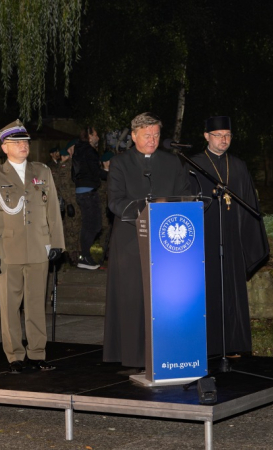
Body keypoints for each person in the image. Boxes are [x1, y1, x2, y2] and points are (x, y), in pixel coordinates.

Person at [103, 112, 191, 368]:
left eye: (156, 135)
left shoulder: (173, 163)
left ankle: (167, 352)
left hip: (168, 243)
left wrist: (172, 207)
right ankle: (133, 355)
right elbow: (115, 202)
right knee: (133, 297)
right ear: (133, 136)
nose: (152, 140)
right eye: (146, 135)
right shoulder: (120, 164)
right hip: (131, 241)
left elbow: (184, 195)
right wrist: (147, 207)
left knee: (166, 298)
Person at [0, 119, 65, 373]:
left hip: (39, 247)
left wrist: (58, 242)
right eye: (16, 142)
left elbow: (53, 211)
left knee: (37, 304)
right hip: (8, 251)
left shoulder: (42, 172)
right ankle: (15, 356)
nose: (23, 146)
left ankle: (37, 353)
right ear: (4, 147)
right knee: (10, 307)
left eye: (25, 141)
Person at [188, 116, 270, 356]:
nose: (224, 140)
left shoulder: (238, 165)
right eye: (218, 135)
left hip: (232, 238)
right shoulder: (193, 165)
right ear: (206, 136)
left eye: (228, 135)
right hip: (205, 240)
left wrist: (249, 240)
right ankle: (208, 347)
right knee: (208, 291)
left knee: (233, 292)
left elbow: (249, 202)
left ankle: (235, 345)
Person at [72, 127, 108, 270]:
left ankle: (86, 256)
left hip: (83, 191)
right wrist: (111, 175)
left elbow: (73, 174)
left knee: (93, 225)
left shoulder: (78, 150)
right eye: (96, 134)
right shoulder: (89, 151)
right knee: (92, 226)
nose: (98, 137)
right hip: (88, 193)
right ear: (89, 136)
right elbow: (96, 171)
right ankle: (85, 257)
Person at [52, 146, 80, 265]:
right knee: (71, 229)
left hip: (68, 201)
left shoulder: (63, 165)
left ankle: (72, 254)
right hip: (69, 201)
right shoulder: (65, 166)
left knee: (71, 228)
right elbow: (63, 186)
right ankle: (72, 255)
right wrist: (68, 203)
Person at [98, 151, 114, 264]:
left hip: (111, 207)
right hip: (102, 207)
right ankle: (100, 256)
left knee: (111, 231)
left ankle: (109, 254)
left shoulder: (114, 174)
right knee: (104, 230)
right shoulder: (100, 175)